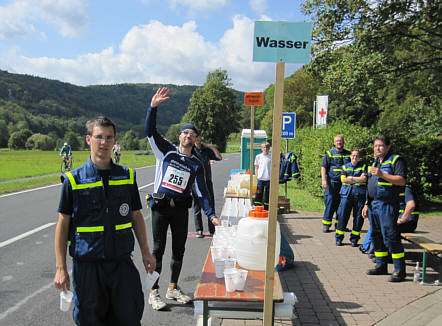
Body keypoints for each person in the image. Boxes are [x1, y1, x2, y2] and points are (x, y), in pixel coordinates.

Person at [54, 116, 156, 325]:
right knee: (89, 319)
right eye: (99, 137)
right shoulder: (73, 180)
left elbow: (136, 216)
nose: (104, 142)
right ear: (88, 139)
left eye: (109, 138)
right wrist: (61, 267)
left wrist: (146, 251)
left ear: (114, 142)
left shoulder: (127, 176)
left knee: (129, 316)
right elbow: (63, 224)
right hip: (88, 267)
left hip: (121, 263)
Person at [144, 87, 221, 311]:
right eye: (184, 132)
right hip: (160, 207)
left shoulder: (195, 164)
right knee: (158, 250)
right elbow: (150, 131)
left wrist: (211, 215)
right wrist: (153, 107)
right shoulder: (165, 151)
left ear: (196, 140)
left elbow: (201, 192)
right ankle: (153, 291)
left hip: (179, 210)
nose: (188, 136)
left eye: (192, 134)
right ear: (180, 136)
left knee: (179, 250)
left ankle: (173, 288)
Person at [362, 135, 407, 282]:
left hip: (387, 204)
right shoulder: (375, 162)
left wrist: (382, 174)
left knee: (390, 236)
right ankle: (381, 266)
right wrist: (366, 203)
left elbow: (401, 180)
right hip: (374, 204)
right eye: (375, 146)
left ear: (388, 147)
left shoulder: (395, 160)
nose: (377, 148)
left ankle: (399, 270)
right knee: (376, 235)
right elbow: (370, 184)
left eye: (380, 146)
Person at [192, 134, 222, 238]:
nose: (197, 139)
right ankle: (199, 230)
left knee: (211, 204)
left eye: (199, 136)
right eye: (195, 137)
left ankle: (212, 230)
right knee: (197, 206)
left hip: (207, 181)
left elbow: (219, 157)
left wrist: (212, 147)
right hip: (195, 182)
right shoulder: (191, 150)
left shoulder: (206, 150)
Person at [335, 150, 367, 246]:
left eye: (357, 156)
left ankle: (354, 239)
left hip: (359, 195)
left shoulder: (364, 166)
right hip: (346, 195)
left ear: (359, 157)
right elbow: (343, 179)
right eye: (353, 155)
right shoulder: (345, 167)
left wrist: (351, 178)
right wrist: (357, 179)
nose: (355, 157)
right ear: (350, 156)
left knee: (358, 218)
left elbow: (364, 179)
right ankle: (339, 238)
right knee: (342, 216)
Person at [321, 135, 351, 232]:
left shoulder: (348, 154)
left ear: (343, 142)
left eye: (341, 141)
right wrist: (324, 180)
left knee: (342, 205)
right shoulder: (329, 153)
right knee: (330, 203)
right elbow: (324, 167)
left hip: (344, 184)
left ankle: (340, 225)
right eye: (337, 141)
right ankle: (326, 224)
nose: (339, 142)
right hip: (332, 183)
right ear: (334, 143)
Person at [254, 142, 272, 210]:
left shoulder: (271, 157)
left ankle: (266, 209)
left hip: (268, 178)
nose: (265, 149)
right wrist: (256, 177)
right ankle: (257, 208)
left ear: (269, 148)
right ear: (262, 148)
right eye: (264, 147)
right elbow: (256, 168)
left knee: (267, 195)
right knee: (259, 194)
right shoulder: (258, 156)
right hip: (260, 178)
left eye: (267, 147)